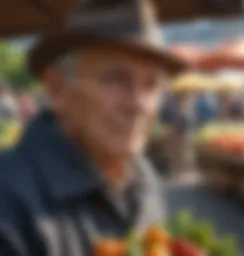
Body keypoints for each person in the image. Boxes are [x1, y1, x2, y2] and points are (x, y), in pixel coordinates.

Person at [0, 0, 186, 255]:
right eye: (116, 79)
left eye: (152, 85)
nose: (139, 104)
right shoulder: (9, 200)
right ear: (57, 89)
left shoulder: (143, 175)